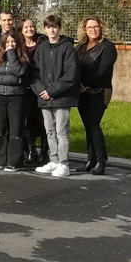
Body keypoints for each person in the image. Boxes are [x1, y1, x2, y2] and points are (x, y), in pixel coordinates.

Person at [30, 14, 80, 178]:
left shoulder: (67, 47)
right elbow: (33, 73)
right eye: (49, 27)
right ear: (44, 28)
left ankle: (64, 164)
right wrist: (42, 90)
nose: (52, 29)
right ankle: (54, 161)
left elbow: (70, 75)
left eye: (55, 26)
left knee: (61, 132)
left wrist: (52, 90)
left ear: (59, 28)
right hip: (44, 98)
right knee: (49, 131)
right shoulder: (41, 48)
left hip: (62, 98)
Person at [76, 16, 117, 175]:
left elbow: (103, 72)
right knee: (87, 127)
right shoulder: (80, 47)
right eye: (89, 27)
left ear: (101, 28)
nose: (93, 29)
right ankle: (90, 160)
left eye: (96, 26)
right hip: (81, 92)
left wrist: (85, 85)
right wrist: (78, 85)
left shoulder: (108, 47)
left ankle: (101, 161)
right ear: (84, 30)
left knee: (94, 124)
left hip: (99, 91)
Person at [0, 29, 29, 172]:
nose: (10, 44)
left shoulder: (22, 57)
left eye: (13, 41)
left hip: (16, 97)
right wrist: (10, 81)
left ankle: (14, 161)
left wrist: (11, 54)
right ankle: (1, 158)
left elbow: (19, 73)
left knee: (15, 129)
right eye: (7, 42)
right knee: (1, 129)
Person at [19, 18, 48, 166]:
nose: (29, 29)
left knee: (43, 120)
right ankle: (32, 151)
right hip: (25, 88)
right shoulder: (19, 45)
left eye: (31, 26)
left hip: (41, 86)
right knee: (27, 121)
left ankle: (44, 151)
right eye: (26, 27)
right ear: (21, 30)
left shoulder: (43, 43)